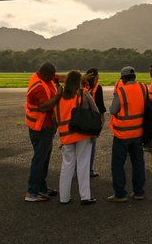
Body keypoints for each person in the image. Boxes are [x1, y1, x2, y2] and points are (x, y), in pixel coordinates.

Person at [55, 70, 99, 205]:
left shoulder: (59, 96)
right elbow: (95, 111)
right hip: (82, 133)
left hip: (66, 136)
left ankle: (64, 197)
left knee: (67, 166)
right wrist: (95, 132)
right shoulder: (83, 93)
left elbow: (54, 117)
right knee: (83, 165)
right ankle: (85, 197)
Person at [108, 66, 148, 201]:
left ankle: (120, 194)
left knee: (118, 164)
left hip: (122, 134)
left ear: (124, 79)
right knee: (138, 162)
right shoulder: (143, 87)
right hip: (138, 132)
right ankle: (139, 192)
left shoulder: (121, 91)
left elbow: (113, 111)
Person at [24, 62, 62, 202]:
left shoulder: (42, 77)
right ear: (46, 75)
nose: (54, 78)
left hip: (46, 126)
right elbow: (44, 107)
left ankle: (41, 187)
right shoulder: (39, 87)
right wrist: (59, 95)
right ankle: (32, 191)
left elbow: (58, 77)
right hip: (41, 127)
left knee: (44, 158)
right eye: (52, 76)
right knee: (39, 159)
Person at [83, 67, 106, 177]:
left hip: (81, 119)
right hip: (93, 119)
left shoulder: (83, 87)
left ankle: (79, 169)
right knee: (92, 144)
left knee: (81, 146)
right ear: (95, 76)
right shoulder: (97, 88)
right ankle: (89, 170)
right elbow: (100, 105)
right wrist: (102, 118)